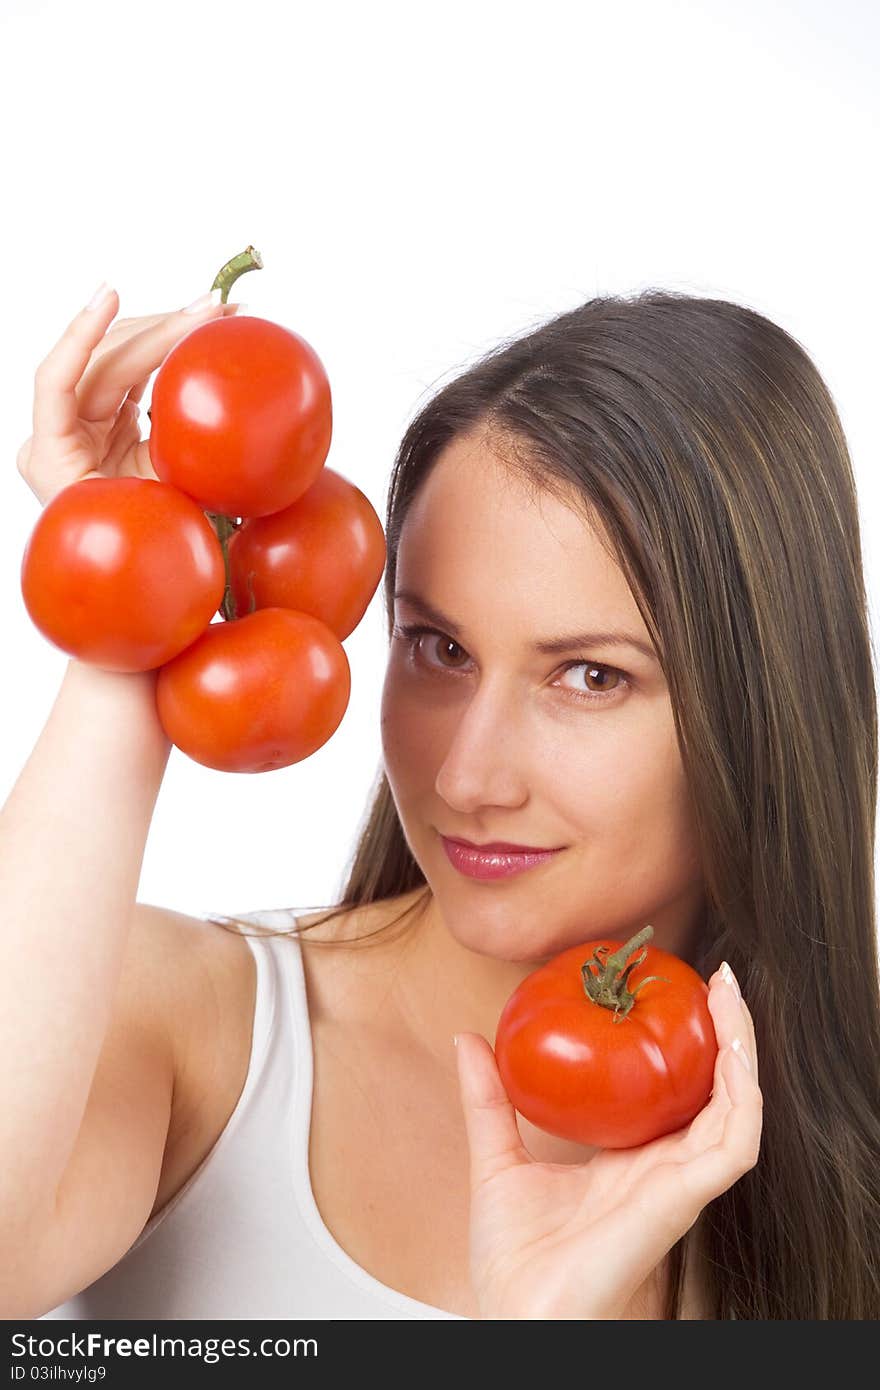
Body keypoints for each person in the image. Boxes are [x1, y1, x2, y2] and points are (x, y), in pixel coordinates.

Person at [3, 284, 878, 1321]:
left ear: (762, 710)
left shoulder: (842, 1169)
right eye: (439, 648)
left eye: (589, 676)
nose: (467, 776)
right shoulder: (191, 1026)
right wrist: (128, 589)